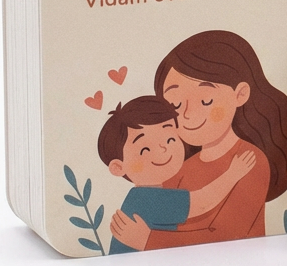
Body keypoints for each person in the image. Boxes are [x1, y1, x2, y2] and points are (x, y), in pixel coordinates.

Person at [110, 30, 287, 251]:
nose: (188, 114)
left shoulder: (249, 161)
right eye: (175, 105)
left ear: (240, 94)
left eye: (205, 100)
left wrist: (148, 240)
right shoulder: (177, 170)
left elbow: (229, 234)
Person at [99, 96, 256, 254]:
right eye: (145, 149)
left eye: (170, 139)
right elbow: (203, 202)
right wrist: (233, 174)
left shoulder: (142, 195)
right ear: (118, 167)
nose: (164, 149)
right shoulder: (147, 198)